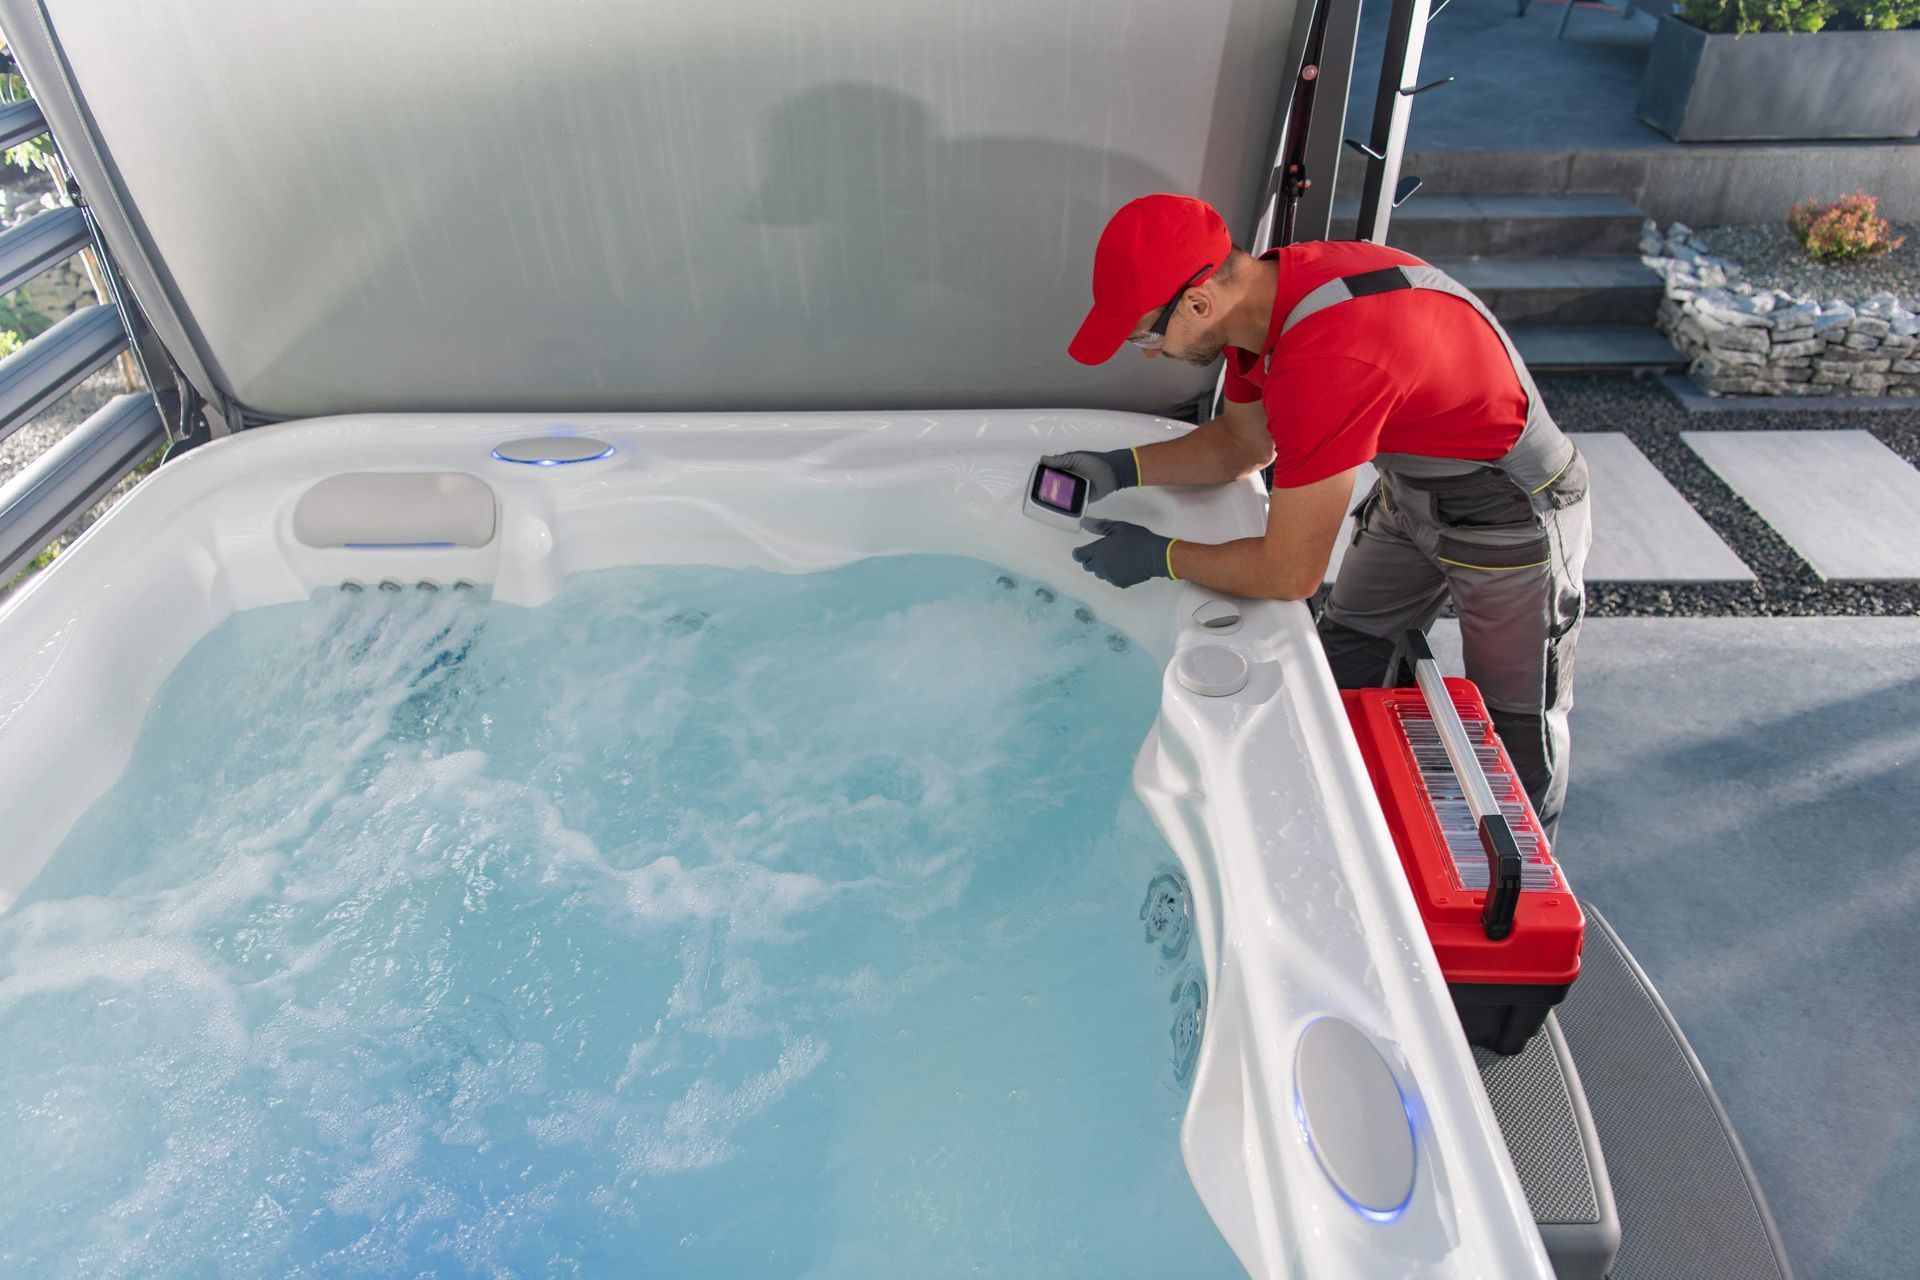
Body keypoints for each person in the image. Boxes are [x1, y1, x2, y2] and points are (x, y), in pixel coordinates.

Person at [1049, 194, 1590, 838]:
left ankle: (1524, 881)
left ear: (1197, 303)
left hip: (1511, 509)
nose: (1148, 351)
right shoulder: (1266, 299)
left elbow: (1289, 574)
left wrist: (1158, 556)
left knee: (1512, 729)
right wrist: (1122, 467)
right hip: (1411, 488)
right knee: (1346, 658)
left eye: (1148, 335)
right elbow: (1244, 445)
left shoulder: (1328, 360)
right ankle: (1362, 836)